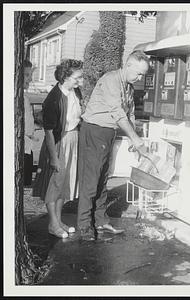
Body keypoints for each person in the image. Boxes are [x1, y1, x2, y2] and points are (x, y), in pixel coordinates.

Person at [77, 50, 150, 241]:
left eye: (143, 74)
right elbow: (118, 113)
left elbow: (130, 115)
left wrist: (133, 138)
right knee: (91, 181)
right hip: (95, 130)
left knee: (103, 178)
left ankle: (100, 220)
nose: (140, 77)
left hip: (108, 133)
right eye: (139, 73)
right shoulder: (111, 80)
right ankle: (84, 226)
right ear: (128, 65)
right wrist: (135, 139)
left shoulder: (129, 87)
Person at [34, 59, 83, 239]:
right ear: (65, 76)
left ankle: (59, 221)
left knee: (64, 184)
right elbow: (48, 132)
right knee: (53, 185)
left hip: (72, 140)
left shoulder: (75, 92)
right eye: (77, 77)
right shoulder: (53, 99)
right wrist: (54, 158)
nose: (80, 81)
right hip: (57, 143)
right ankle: (52, 224)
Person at [24, 60, 35, 186]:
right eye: (27, 75)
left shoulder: (24, 97)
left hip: (28, 145)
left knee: (27, 181)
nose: (30, 79)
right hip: (22, 146)